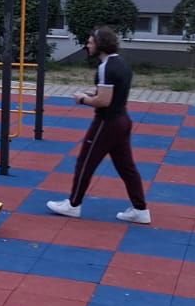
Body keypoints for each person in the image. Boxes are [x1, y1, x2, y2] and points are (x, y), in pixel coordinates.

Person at [47, 26, 151, 225]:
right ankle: (140, 210)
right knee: (126, 167)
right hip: (122, 120)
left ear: (100, 45)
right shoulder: (121, 63)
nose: (87, 45)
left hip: (107, 123)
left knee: (85, 162)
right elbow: (111, 93)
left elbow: (104, 101)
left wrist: (82, 99)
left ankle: (73, 205)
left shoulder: (105, 67)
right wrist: (93, 93)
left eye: (90, 42)